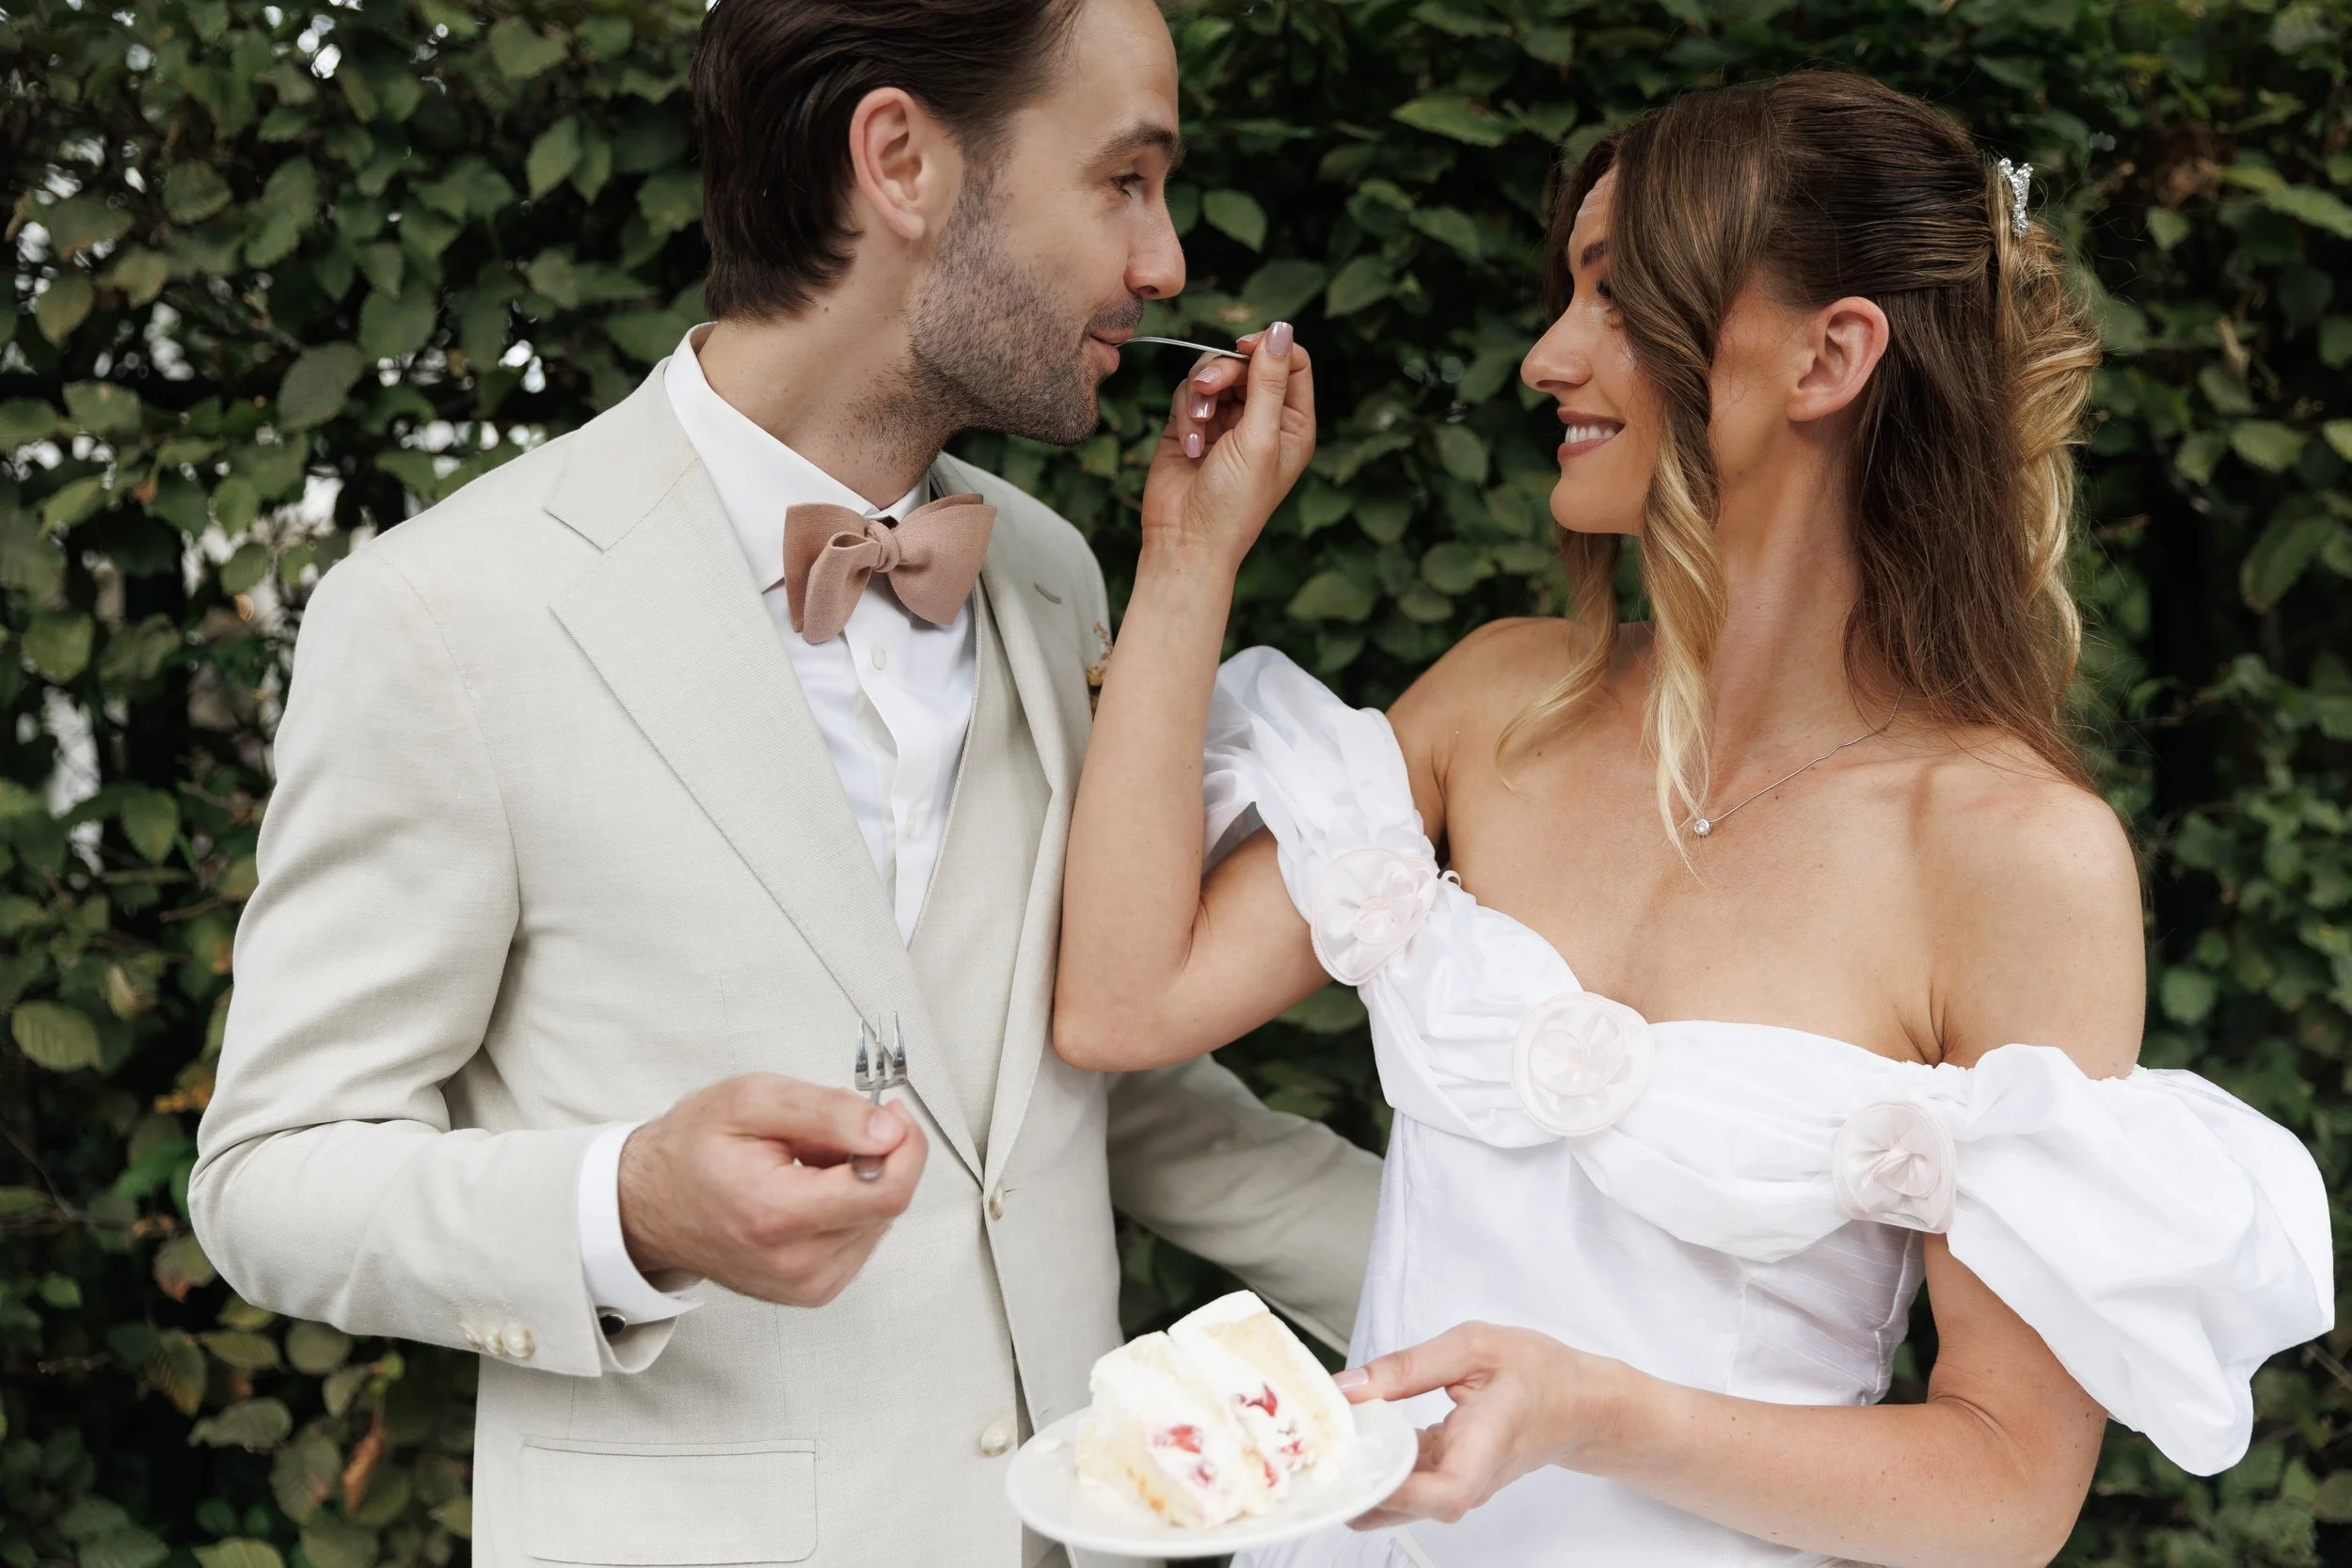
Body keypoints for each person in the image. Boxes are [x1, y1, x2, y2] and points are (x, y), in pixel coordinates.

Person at [1057, 72, 2332, 1567]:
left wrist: (1600, 1412)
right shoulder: (1495, 704)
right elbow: (1124, 997)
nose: (1547, 357)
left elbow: (2003, 1487)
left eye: (1615, 298)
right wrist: (1187, 558)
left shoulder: (2008, 853)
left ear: (1828, 354)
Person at [187, 1, 1380, 1563]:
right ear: (899, 160)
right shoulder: (448, 612)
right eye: (1123, 180)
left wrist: (1536, 1278)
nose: (1163, 265)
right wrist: (626, 1207)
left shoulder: (1051, 575)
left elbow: (1106, 1096)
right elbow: (272, 1172)